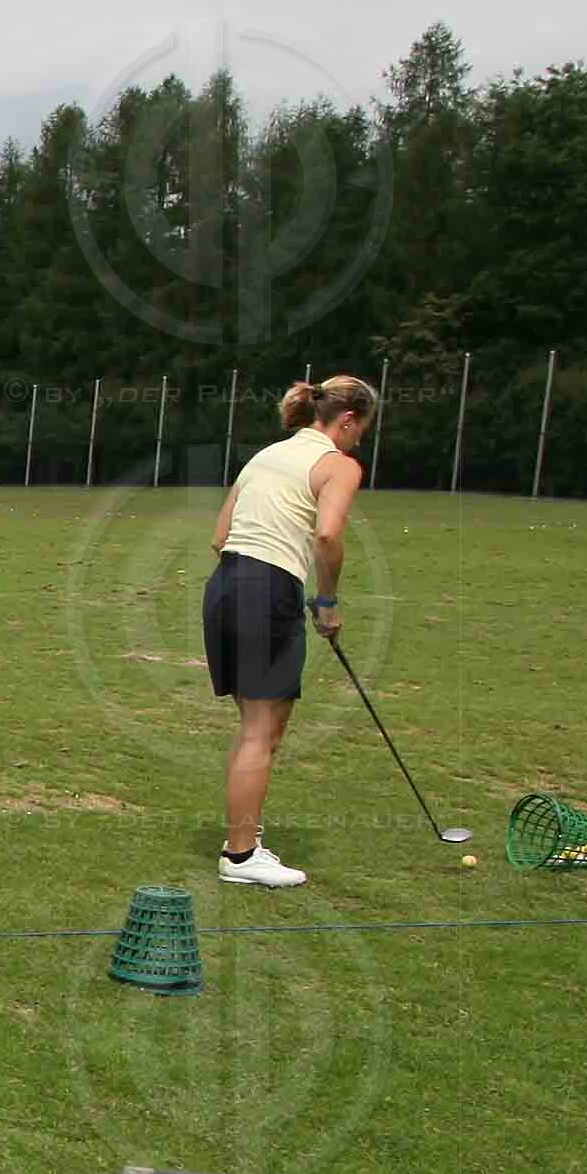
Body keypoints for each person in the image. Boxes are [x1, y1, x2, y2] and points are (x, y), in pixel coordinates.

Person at [204, 375, 374, 889]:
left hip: (226, 585)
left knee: (256, 728)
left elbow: (219, 537)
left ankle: (243, 840)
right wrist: (326, 601)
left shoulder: (268, 455)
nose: (360, 439)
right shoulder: (340, 465)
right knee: (263, 731)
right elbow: (326, 534)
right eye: (361, 429)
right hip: (265, 592)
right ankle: (240, 857)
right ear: (346, 420)